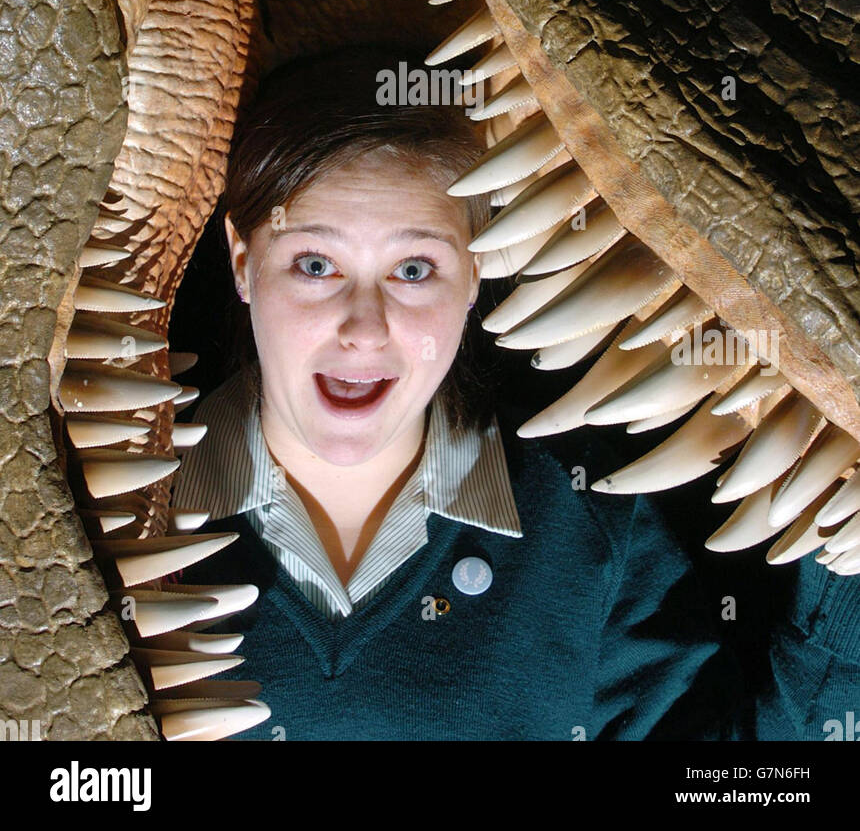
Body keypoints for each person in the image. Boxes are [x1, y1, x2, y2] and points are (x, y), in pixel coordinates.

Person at [173, 45, 860, 741]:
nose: (364, 328)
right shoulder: (100, 514)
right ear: (242, 261)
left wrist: (849, 552)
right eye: (316, 265)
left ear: (474, 274)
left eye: (414, 268)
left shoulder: (590, 524)